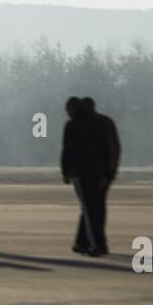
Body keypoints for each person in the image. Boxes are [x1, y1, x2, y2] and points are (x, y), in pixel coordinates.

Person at [61, 96, 121, 257]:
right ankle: (82, 242)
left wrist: (66, 172)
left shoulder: (73, 125)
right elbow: (115, 148)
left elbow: (67, 151)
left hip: (82, 174)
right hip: (103, 174)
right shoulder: (106, 122)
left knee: (90, 209)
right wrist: (111, 172)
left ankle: (98, 245)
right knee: (95, 207)